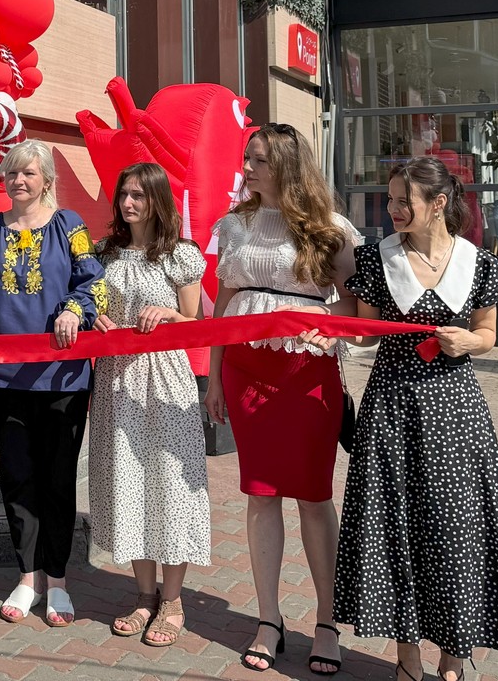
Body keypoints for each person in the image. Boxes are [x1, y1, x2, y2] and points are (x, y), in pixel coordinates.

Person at [334, 156, 498, 681]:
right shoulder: (376, 259)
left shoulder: (478, 261)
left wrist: (469, 341)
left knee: (455, 529)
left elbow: (488, 333)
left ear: (438, 203)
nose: (392, 209)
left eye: (403, 201)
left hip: (456, 410)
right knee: (396, 527)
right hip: (393, 407)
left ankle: (453, 654)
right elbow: (364, 331)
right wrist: (328, 330)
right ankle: (407, 658)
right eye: (390, 200)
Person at [203, 122, 359, 674]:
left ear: (288, 166)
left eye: (259, 160)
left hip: (308, 375)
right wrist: (216, 377)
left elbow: (355, 309)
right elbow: (222, 305)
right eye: (247, 157)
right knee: (261, 493)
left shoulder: (331, 229)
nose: (247, 168)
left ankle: (326, 620)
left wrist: (328, 327)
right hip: (247, 372)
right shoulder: (234, 224)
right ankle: (269, 619)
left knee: (315, 497)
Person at [0, 139, 106, 628]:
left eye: (30, 174)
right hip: (0, 377)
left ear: (47, 181)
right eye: (13, 173)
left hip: (62, 375)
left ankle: (57, 578)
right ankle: (28, 574)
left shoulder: (71, 226)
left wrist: (76, 309)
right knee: (17, 473)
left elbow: (94, 281)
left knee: (58, 475)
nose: (19, 181)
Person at [89, 163, 210, 646]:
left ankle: (174, 601)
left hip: (165, 379)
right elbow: (91, 301)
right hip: (117, 379)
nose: (128, 203)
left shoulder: (180, 256)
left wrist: (170, 315)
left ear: (158, 200)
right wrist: (94, 314)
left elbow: (195, 321)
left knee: (170, 485)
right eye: (124, 194)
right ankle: (144, 596)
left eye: (139, 195)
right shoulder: (106, 254)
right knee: (129, 481)